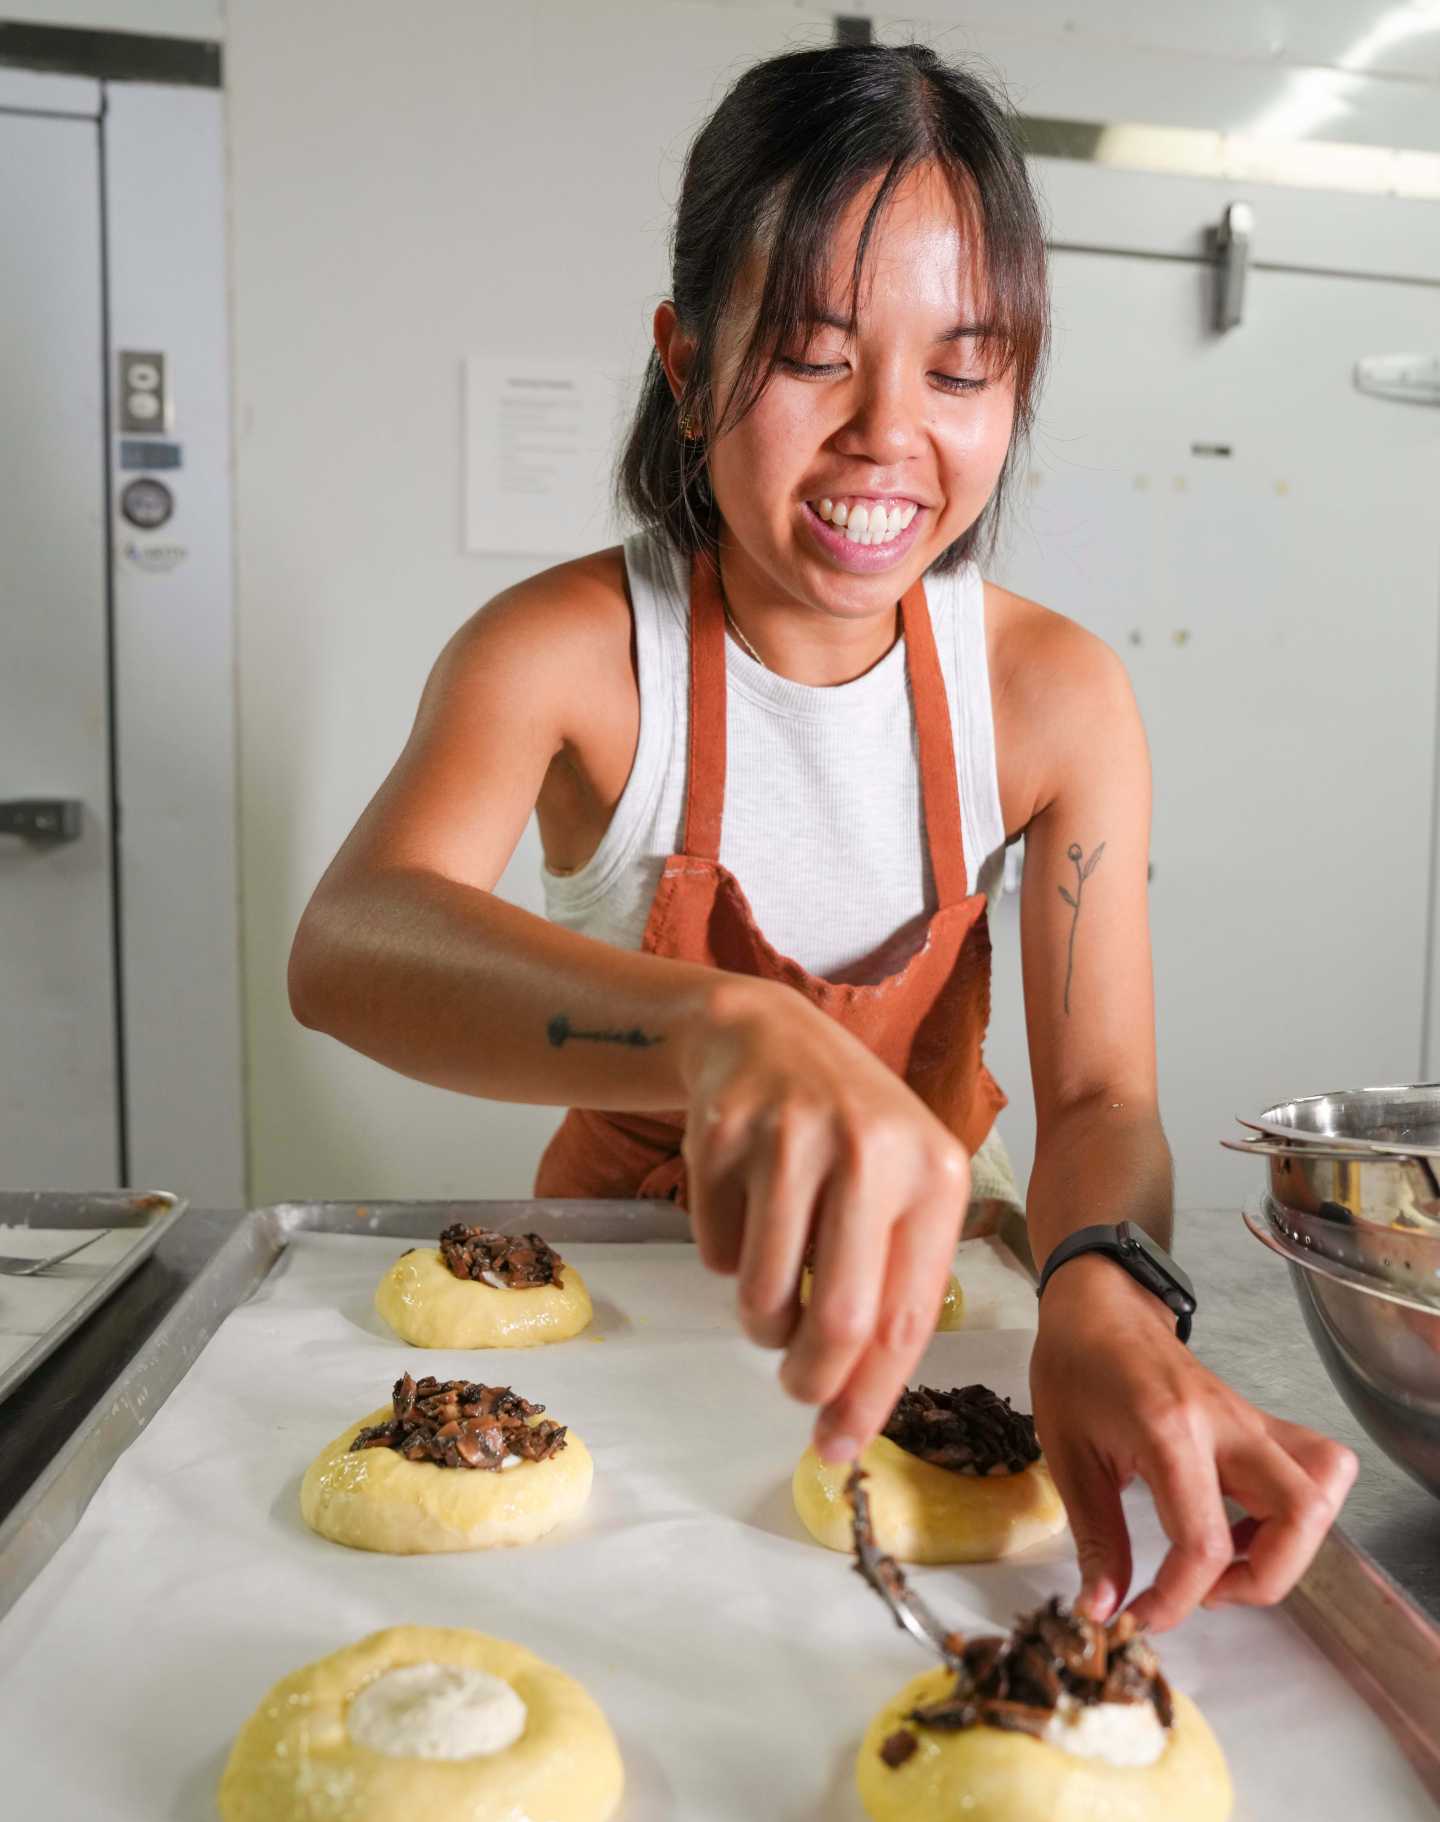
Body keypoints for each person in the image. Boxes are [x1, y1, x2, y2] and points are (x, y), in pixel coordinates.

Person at [288, 41, 1355, 1628]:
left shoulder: (1052, 697)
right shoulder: (569, 653)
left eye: (961, 368)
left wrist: (1105, 1291)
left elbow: (1100, 1097)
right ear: (687, 354)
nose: (886, 434)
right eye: (812, 355)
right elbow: (351, 942)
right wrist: (718, 1029)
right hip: (627, 1287)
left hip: (957, 1292)